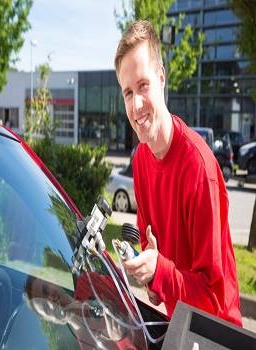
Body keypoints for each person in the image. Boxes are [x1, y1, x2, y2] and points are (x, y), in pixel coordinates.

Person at [114, 20, 242, 326]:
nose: (137, 104)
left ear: (161, 78)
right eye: (128, 92)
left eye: (143, 85)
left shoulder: (199, 167)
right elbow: (157, 259)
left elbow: (213, 299)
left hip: (215, 334)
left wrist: (161, 272)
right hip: (177, 325)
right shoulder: (142, 158)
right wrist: (152, 277)